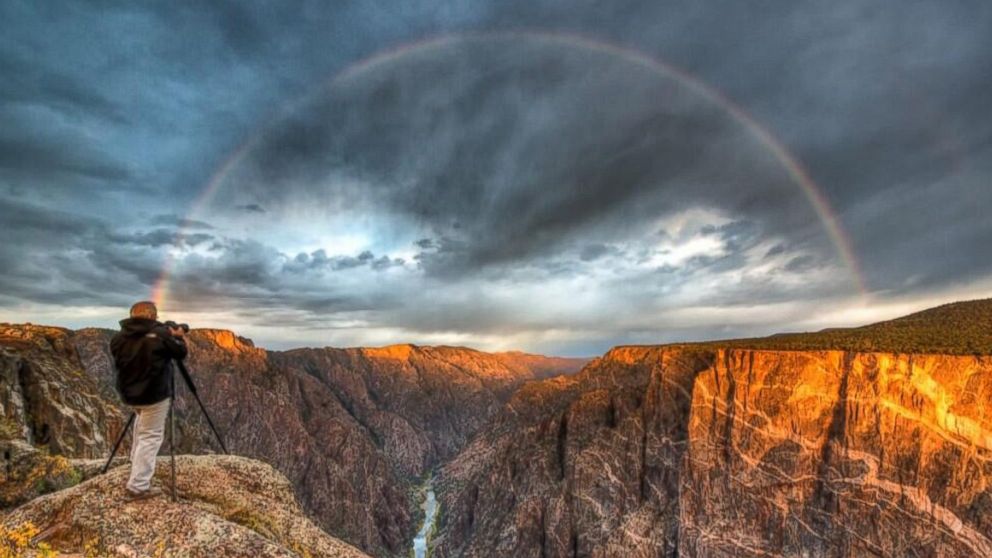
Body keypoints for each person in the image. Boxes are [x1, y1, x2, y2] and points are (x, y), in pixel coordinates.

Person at [109, 300, 188, 501]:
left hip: (129, 394)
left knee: (140, 425)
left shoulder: (118, 338)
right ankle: (138, 486)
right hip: (154, 395)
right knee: (151, 437)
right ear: (152, 316)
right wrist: (177, 336)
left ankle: (133, 461)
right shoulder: (160, 336)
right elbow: (180, 353)